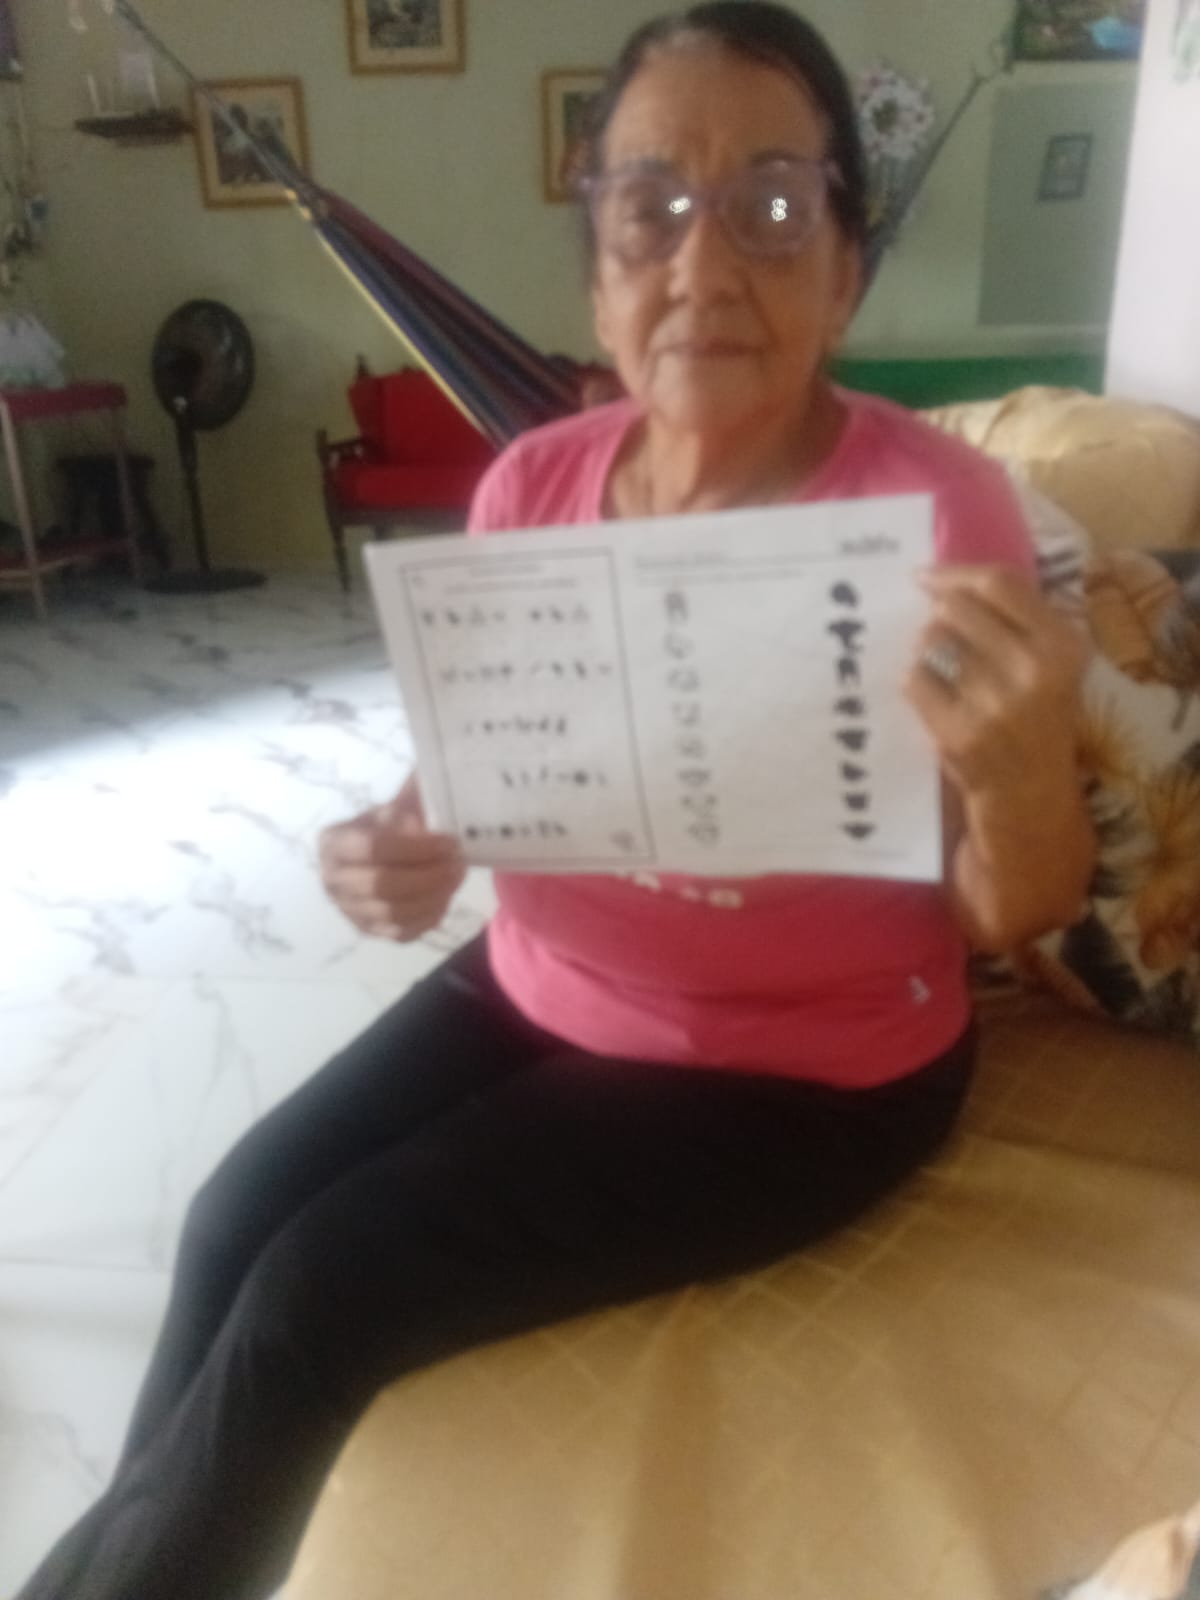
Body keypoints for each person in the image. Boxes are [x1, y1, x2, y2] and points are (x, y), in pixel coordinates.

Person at [16, 5, 1094, 1598]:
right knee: (232, 1214)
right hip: (540, 983)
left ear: (847, 270)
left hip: (804, 1073)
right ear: (596, 277)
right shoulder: (533, 486)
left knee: (324, 1290)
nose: (704, 267)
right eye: (651, 208)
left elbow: (1015, 909)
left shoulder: (934, 512)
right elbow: (477, 769)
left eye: (772, 206)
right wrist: (404, 839)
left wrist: (1016, 766)